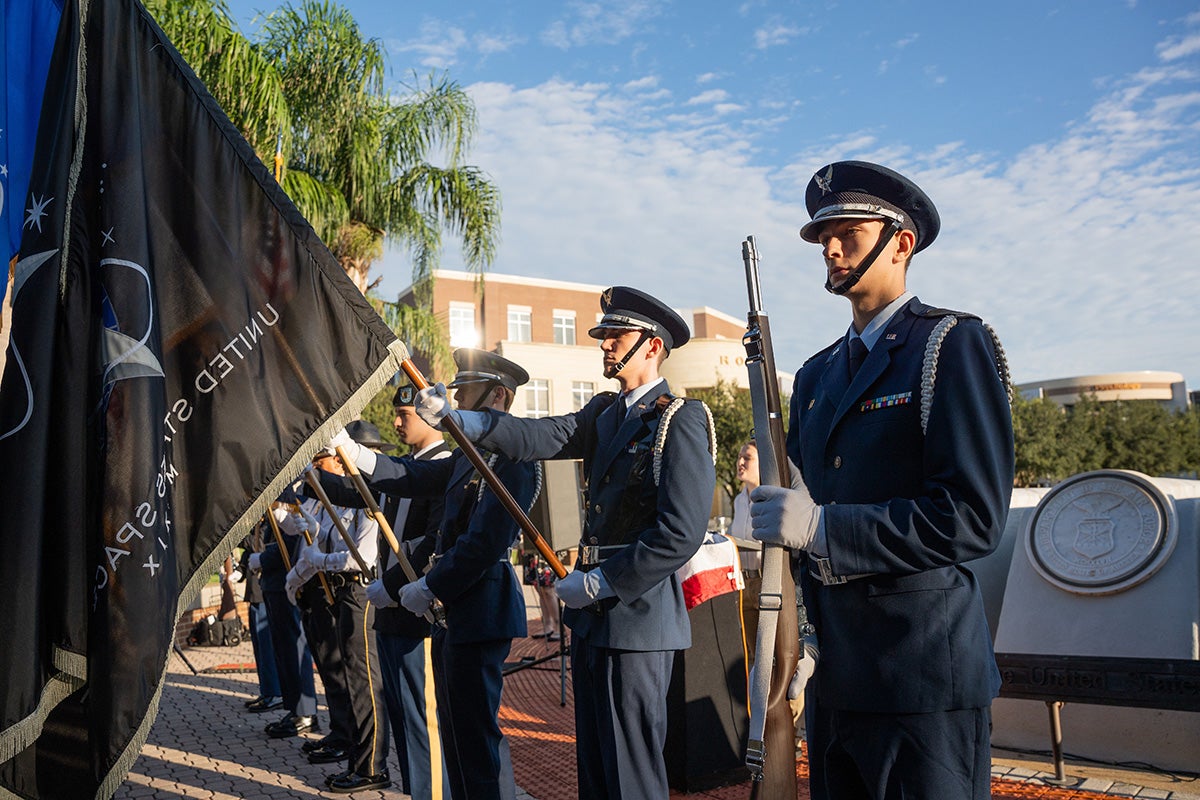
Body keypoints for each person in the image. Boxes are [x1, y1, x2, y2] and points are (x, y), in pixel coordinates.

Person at [748, 160, 1014, 800]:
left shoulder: (949, 344)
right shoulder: (814, 377)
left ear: (902, 243)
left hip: (920, 674)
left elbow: (972, 517)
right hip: (835, 672)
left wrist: (823, 527)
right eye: (823, 236)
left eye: (850, 233)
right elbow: (806, 506)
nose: (831, 248)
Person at [416, 287, 716, 799]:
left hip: (638, 616)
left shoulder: (679, 418)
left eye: (614, 336)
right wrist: (460, 420)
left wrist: (600, 582)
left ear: (652, 346)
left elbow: (680, 533)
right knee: (597, 770)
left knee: (632, 774)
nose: (603, 345)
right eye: (602, 336)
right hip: (596, 617)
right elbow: (536, 435)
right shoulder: (603, 413)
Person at [330, 349, 538, 800]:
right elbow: (411, 476)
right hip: (457, 611)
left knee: (477, 738)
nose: (456, 402)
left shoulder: (514, 458)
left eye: (465, 393)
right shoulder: (467, 456)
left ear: (498, 395)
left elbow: (485, 542)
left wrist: (427, 584)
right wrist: (355, 455)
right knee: (458, 735)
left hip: (483, 605)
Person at [322, 394, 453, 800]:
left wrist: (394, 586)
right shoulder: (408, 470)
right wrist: (300, 469)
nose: (397, 423)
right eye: (397, 415)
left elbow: (433, 543)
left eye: (404, 415)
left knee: (422, 720)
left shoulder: (442, 469)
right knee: (401, 715)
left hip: (418, 609)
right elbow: (355, 494)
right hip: (391, 611)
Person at [287, 432, 389, 794]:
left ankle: (371, 766)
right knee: (347, 673)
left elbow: (360, 557)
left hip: (359, 591)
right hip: (341, 594)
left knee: (365, 684)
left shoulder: (365, 498)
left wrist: (320, 560)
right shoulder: (339, 500)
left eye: (329, 459)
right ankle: (356, 755)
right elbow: (323, 539)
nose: (323, 466)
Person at [257, 500, 319, 739]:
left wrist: (262, 559)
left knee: (295, 648)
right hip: (273, 583)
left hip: (288, 580)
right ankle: (295, 709)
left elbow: (294, 541)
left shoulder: (292, 500)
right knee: (284, 650)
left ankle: (305, 712)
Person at [238, 526, 282, 713]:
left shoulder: (271, 520)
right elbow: (250, 549)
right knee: (259, 646)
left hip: (265, 590)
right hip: (256, 591)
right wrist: (240, 569)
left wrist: (236, 534)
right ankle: (266, 690)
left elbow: (260, 545)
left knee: (267, 646)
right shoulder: (262, 519)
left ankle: (274, 692)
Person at [725, 439, 762, 652]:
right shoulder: (739, 501)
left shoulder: (771, 499)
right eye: (740, 457)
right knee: (750, 653)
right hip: (743, 585)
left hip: (766, 582)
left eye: (747, 458)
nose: (740, 462)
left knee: (774, 655)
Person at [523, 552, 561, 641]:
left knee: (548, 590)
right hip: (533, 552)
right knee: (540, 589)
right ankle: (548, 625)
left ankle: (559, 627)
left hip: (546, 550)